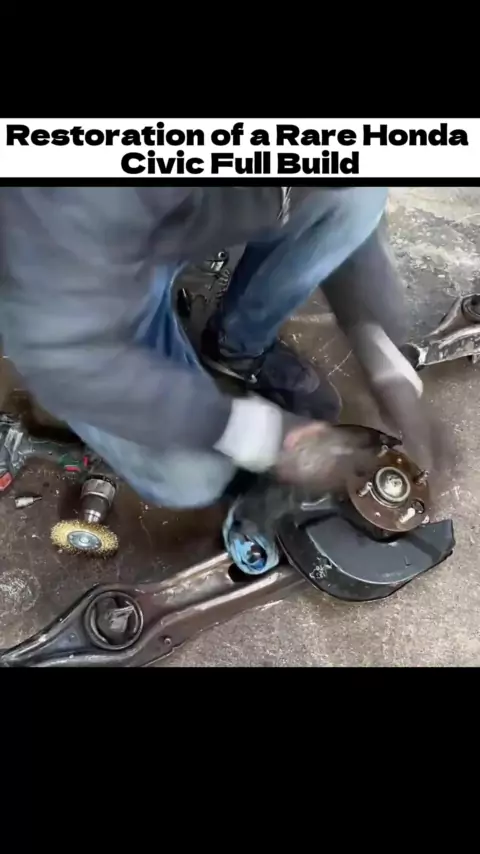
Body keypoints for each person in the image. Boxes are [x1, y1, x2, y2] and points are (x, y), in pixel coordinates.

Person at [0, 187, 435, 509]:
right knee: (191, 473)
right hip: (73, 291)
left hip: (170, 216)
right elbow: (67, 351)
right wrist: (257, 434)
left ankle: (236, 350)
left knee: (354, 199)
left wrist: (377, 345)